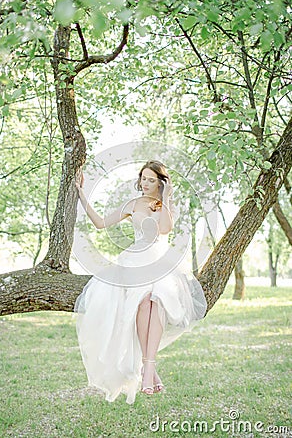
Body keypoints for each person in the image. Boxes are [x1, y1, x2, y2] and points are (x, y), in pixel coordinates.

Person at [74, 160, 207, 404]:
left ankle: (148, 369)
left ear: (161, 182)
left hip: (160, 263)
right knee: (144, 301)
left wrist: (166, 197)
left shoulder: (165, 206)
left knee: (158, 299)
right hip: (135, 261)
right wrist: (81, 194)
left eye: (151, 180)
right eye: (143, 178)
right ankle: (149, 369)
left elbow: (165, 229)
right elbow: (100, 223)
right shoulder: (132, 205)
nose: (145, 184)